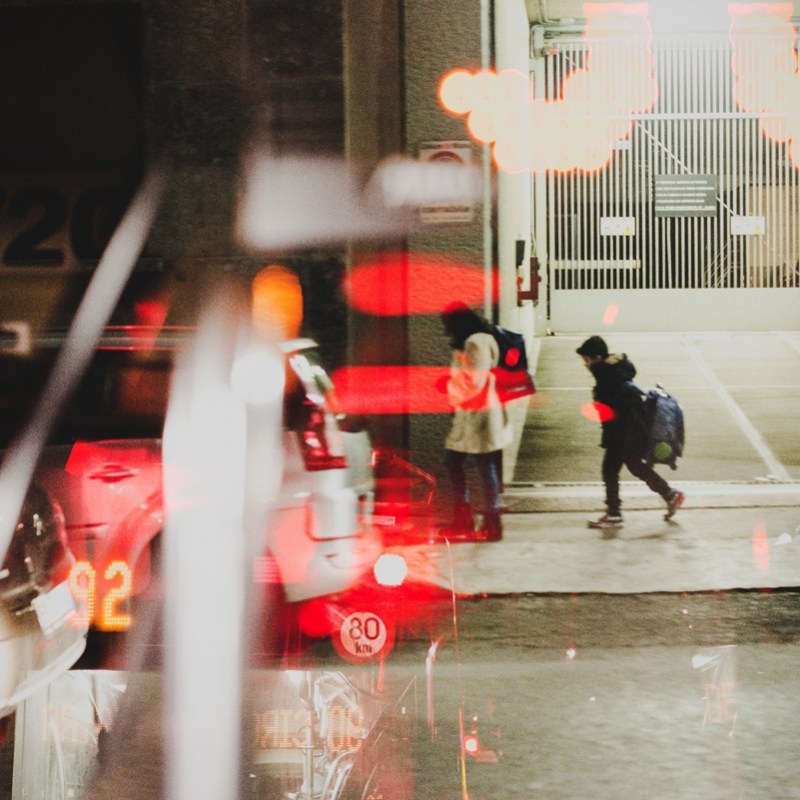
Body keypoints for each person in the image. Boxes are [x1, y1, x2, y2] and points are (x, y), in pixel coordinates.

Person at [576, 335, 684, 529]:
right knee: (634, 466)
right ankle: (669, 494)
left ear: (597, 357)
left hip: (623, 432)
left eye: (587, 359)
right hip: (629, 430)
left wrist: (601, 404)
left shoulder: (607, 374)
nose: (585, 365)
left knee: (610, 470)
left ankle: (615, 514)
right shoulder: (615, 371)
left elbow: (623, 403)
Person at [440, 304, 512, 541]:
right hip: (477, 415)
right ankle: (484, 520)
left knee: (475, 465)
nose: (446, 331)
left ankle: (481, 520)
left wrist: (448, 386)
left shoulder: (476, 343)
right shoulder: (481, 340)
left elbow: (475, 382)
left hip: (478, 415)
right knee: (477, 465)